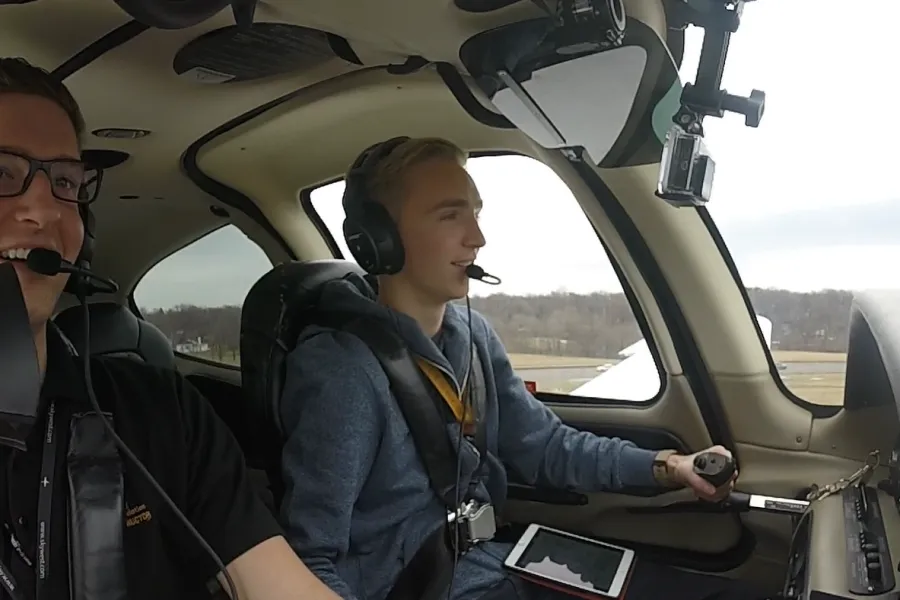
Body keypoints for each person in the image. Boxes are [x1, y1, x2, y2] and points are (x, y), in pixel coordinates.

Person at [278, 136, 764, 600]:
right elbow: (310, 556)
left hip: (499, 560)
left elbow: (546, 447)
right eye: (450, 215)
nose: (478, 238)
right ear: (378, 239)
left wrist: (670, 467)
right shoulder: (344, 371)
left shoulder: (472, 336)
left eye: (475, 213)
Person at [0, 57, 340, 599]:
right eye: (1, 173)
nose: (43, 210)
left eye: (64, 180)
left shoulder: (161, 411)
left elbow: (279, 584)